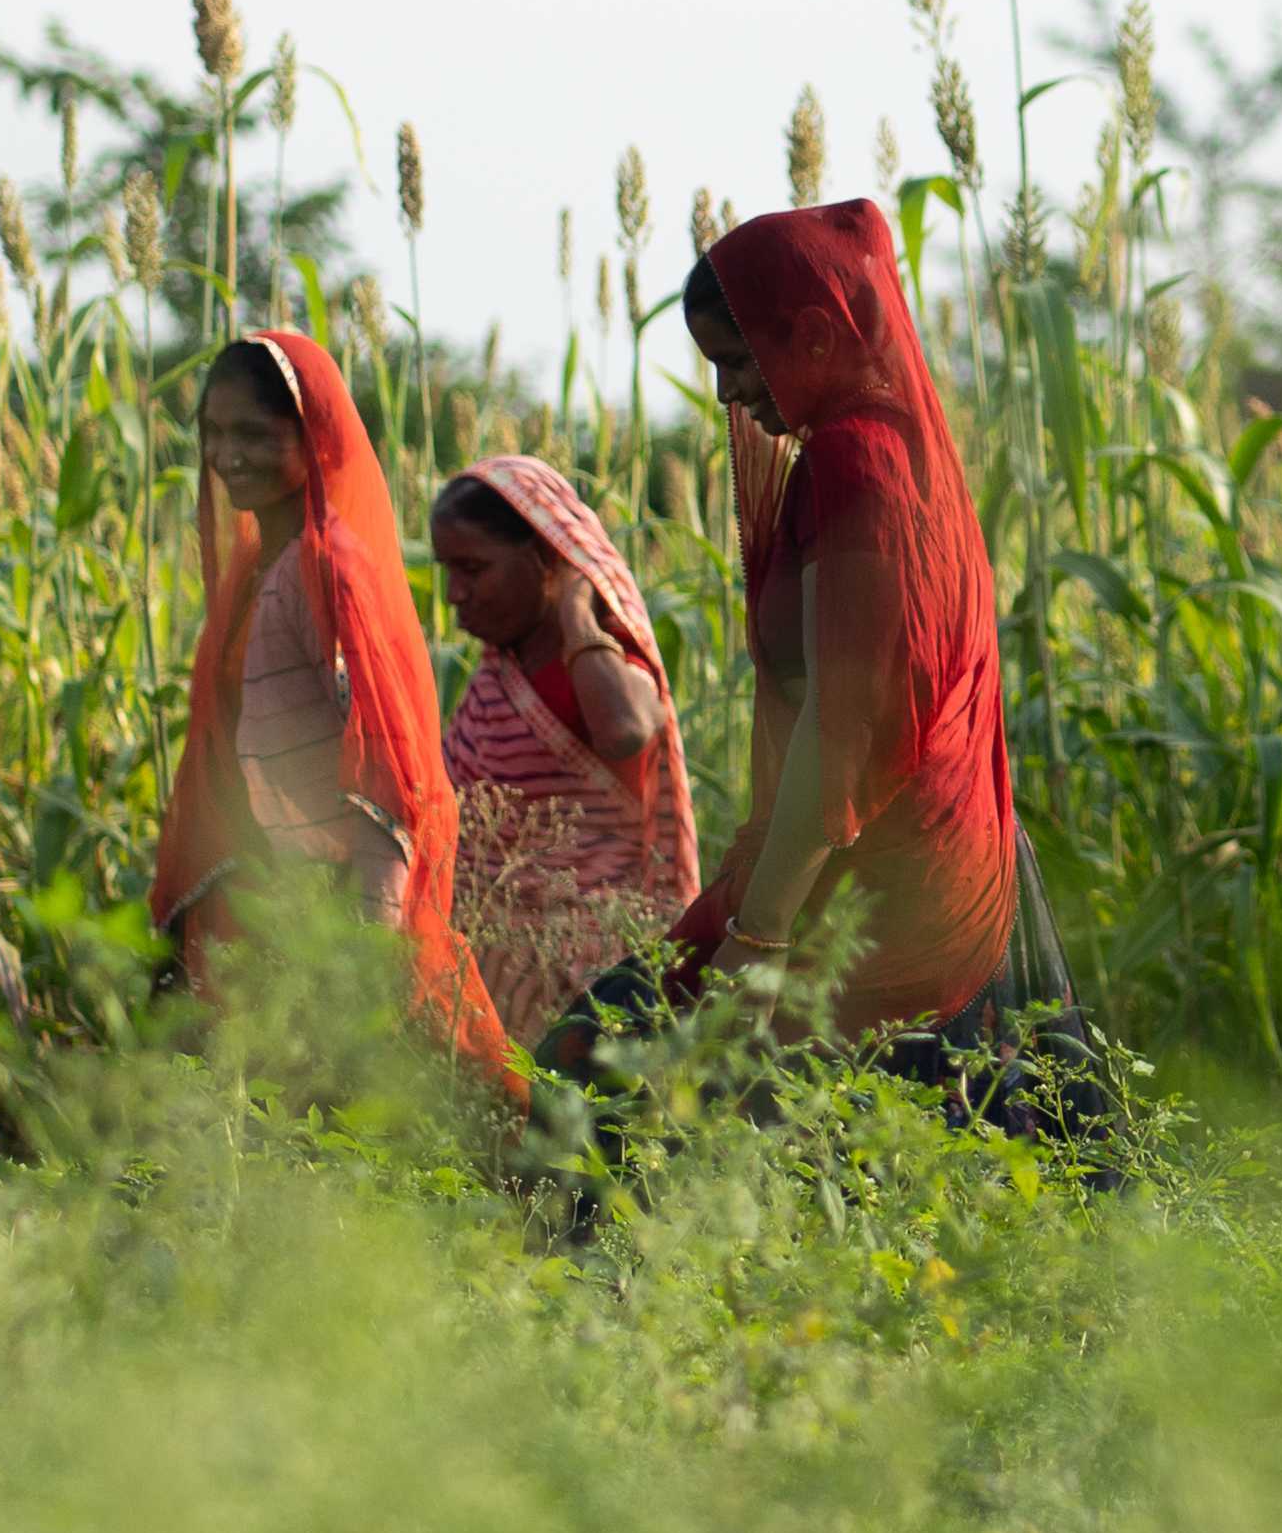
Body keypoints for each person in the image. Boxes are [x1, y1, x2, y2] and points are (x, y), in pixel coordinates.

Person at [644, 202, 1093, 1104]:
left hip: (882, 886)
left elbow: (845, 722)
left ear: (811, 337)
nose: (731, 395)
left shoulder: (859, 463)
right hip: (889, 855)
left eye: (738, 362)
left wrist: (760, 940)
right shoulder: (881, 452)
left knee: (646, 1108)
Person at [149, 331, 518, 1097]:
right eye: (213, 433)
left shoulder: (328, 568)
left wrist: (367, 953)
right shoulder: (262, 572)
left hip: (332, 911)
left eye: (253, 433)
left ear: (311, 437)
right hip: (268, 906)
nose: (227, 454)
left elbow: (382, 767)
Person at [431, 456, 700, 1037]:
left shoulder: (600, 663)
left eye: (473, 569)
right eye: (447, 571)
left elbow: (626, 729)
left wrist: (578, 613)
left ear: (548, 557)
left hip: (595, 984)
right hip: (494, 974)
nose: (455, 594)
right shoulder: (493, 682)